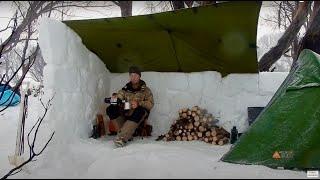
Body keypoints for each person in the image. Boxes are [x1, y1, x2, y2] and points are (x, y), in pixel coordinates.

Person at [106, 66, 154, 147]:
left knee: (140, 110)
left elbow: (150, 104)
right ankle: (125, 133)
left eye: (135, 75)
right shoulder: (125, 89)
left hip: (138, 115)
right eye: (131, 75)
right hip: (126, 113)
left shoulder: (146, 90)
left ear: (139, 76)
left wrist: (139, 103)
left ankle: (122, 138)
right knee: (110, 109)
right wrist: (115, 98)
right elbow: (120, 96)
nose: (133, 77)